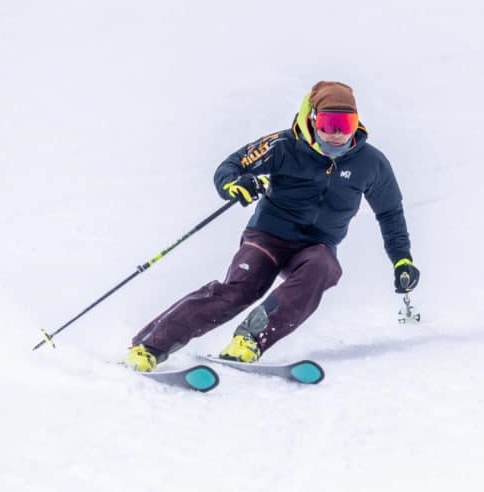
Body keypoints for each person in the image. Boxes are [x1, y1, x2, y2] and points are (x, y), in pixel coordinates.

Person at [126, 81, 420, 371]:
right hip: (268, 238)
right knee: (241, 289)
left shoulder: (371, 163)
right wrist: (235, 184)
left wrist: (402, 260)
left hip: (316, 246)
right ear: (312, 120)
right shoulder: (283, 146)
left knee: (324, 267)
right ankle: (149, 346)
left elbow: (390, 213)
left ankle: (250, 341)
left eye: (346, 123)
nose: (337, 134)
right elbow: (231, 166)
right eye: (329, 124)